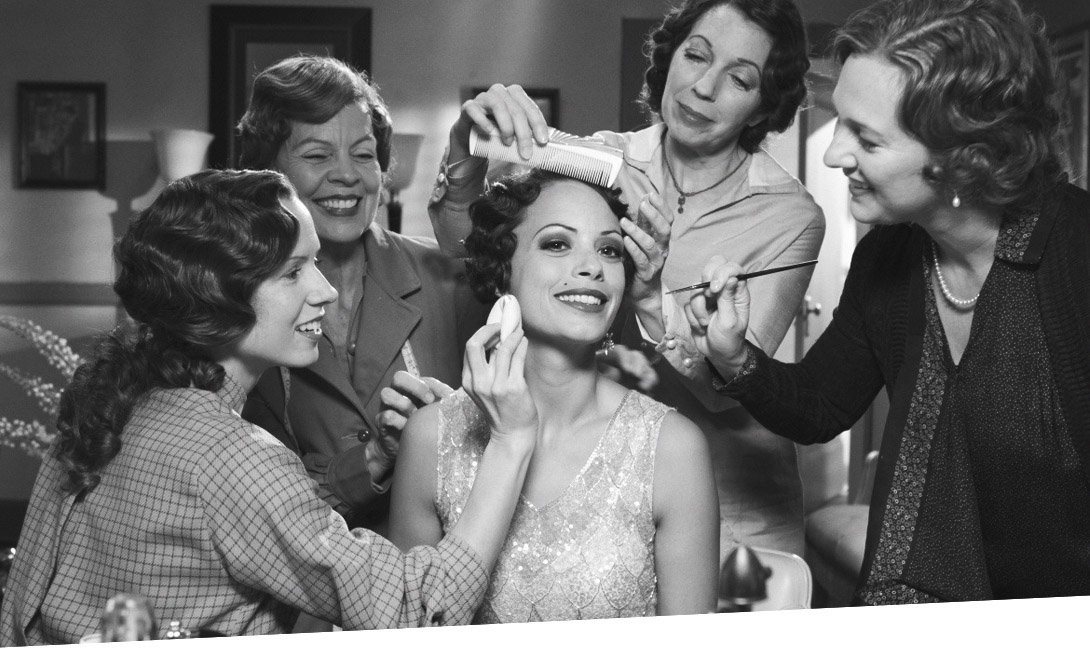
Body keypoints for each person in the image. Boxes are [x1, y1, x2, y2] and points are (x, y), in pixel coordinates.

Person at [0, 170, 536, 645]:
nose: (325, 291)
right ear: (217, 294)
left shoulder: (113, 397)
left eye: (315, 263)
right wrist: (510, 442)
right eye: (293, 272)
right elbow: (417, 609)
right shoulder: (229, 455)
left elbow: (24, 602)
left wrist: (376, 455)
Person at [685, 0, 1090, 603]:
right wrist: (733, 356)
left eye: (867, 139)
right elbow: (819, 407)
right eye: (840, 122)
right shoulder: (886, 257)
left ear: (963, 157)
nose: (833, 154)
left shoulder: (1076, 254)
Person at [427, 0, 824, 558]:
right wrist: (463, 146)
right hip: (606, 494)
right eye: (696, 56)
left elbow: (730, 389)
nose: (704, 87)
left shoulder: (789, 215)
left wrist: (651, 299)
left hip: (737, 505)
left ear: (763, 106)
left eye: (739, 79)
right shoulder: (597, 161)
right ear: (670, 59)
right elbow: (467, 248)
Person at [390, 170, 719, 622]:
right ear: (502, 271)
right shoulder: (432, 438)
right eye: (558, 244)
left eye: (609, 250)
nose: (592, 267)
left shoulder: (673, 448)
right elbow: (406, 630)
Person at [238, 55, 488, 532]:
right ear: (267, 172)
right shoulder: (237, 309)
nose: (347, 175)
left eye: (363, 154)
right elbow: (250, 510)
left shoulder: (446, 277)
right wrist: (373, 458)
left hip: (442, 565)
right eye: (317, 156)